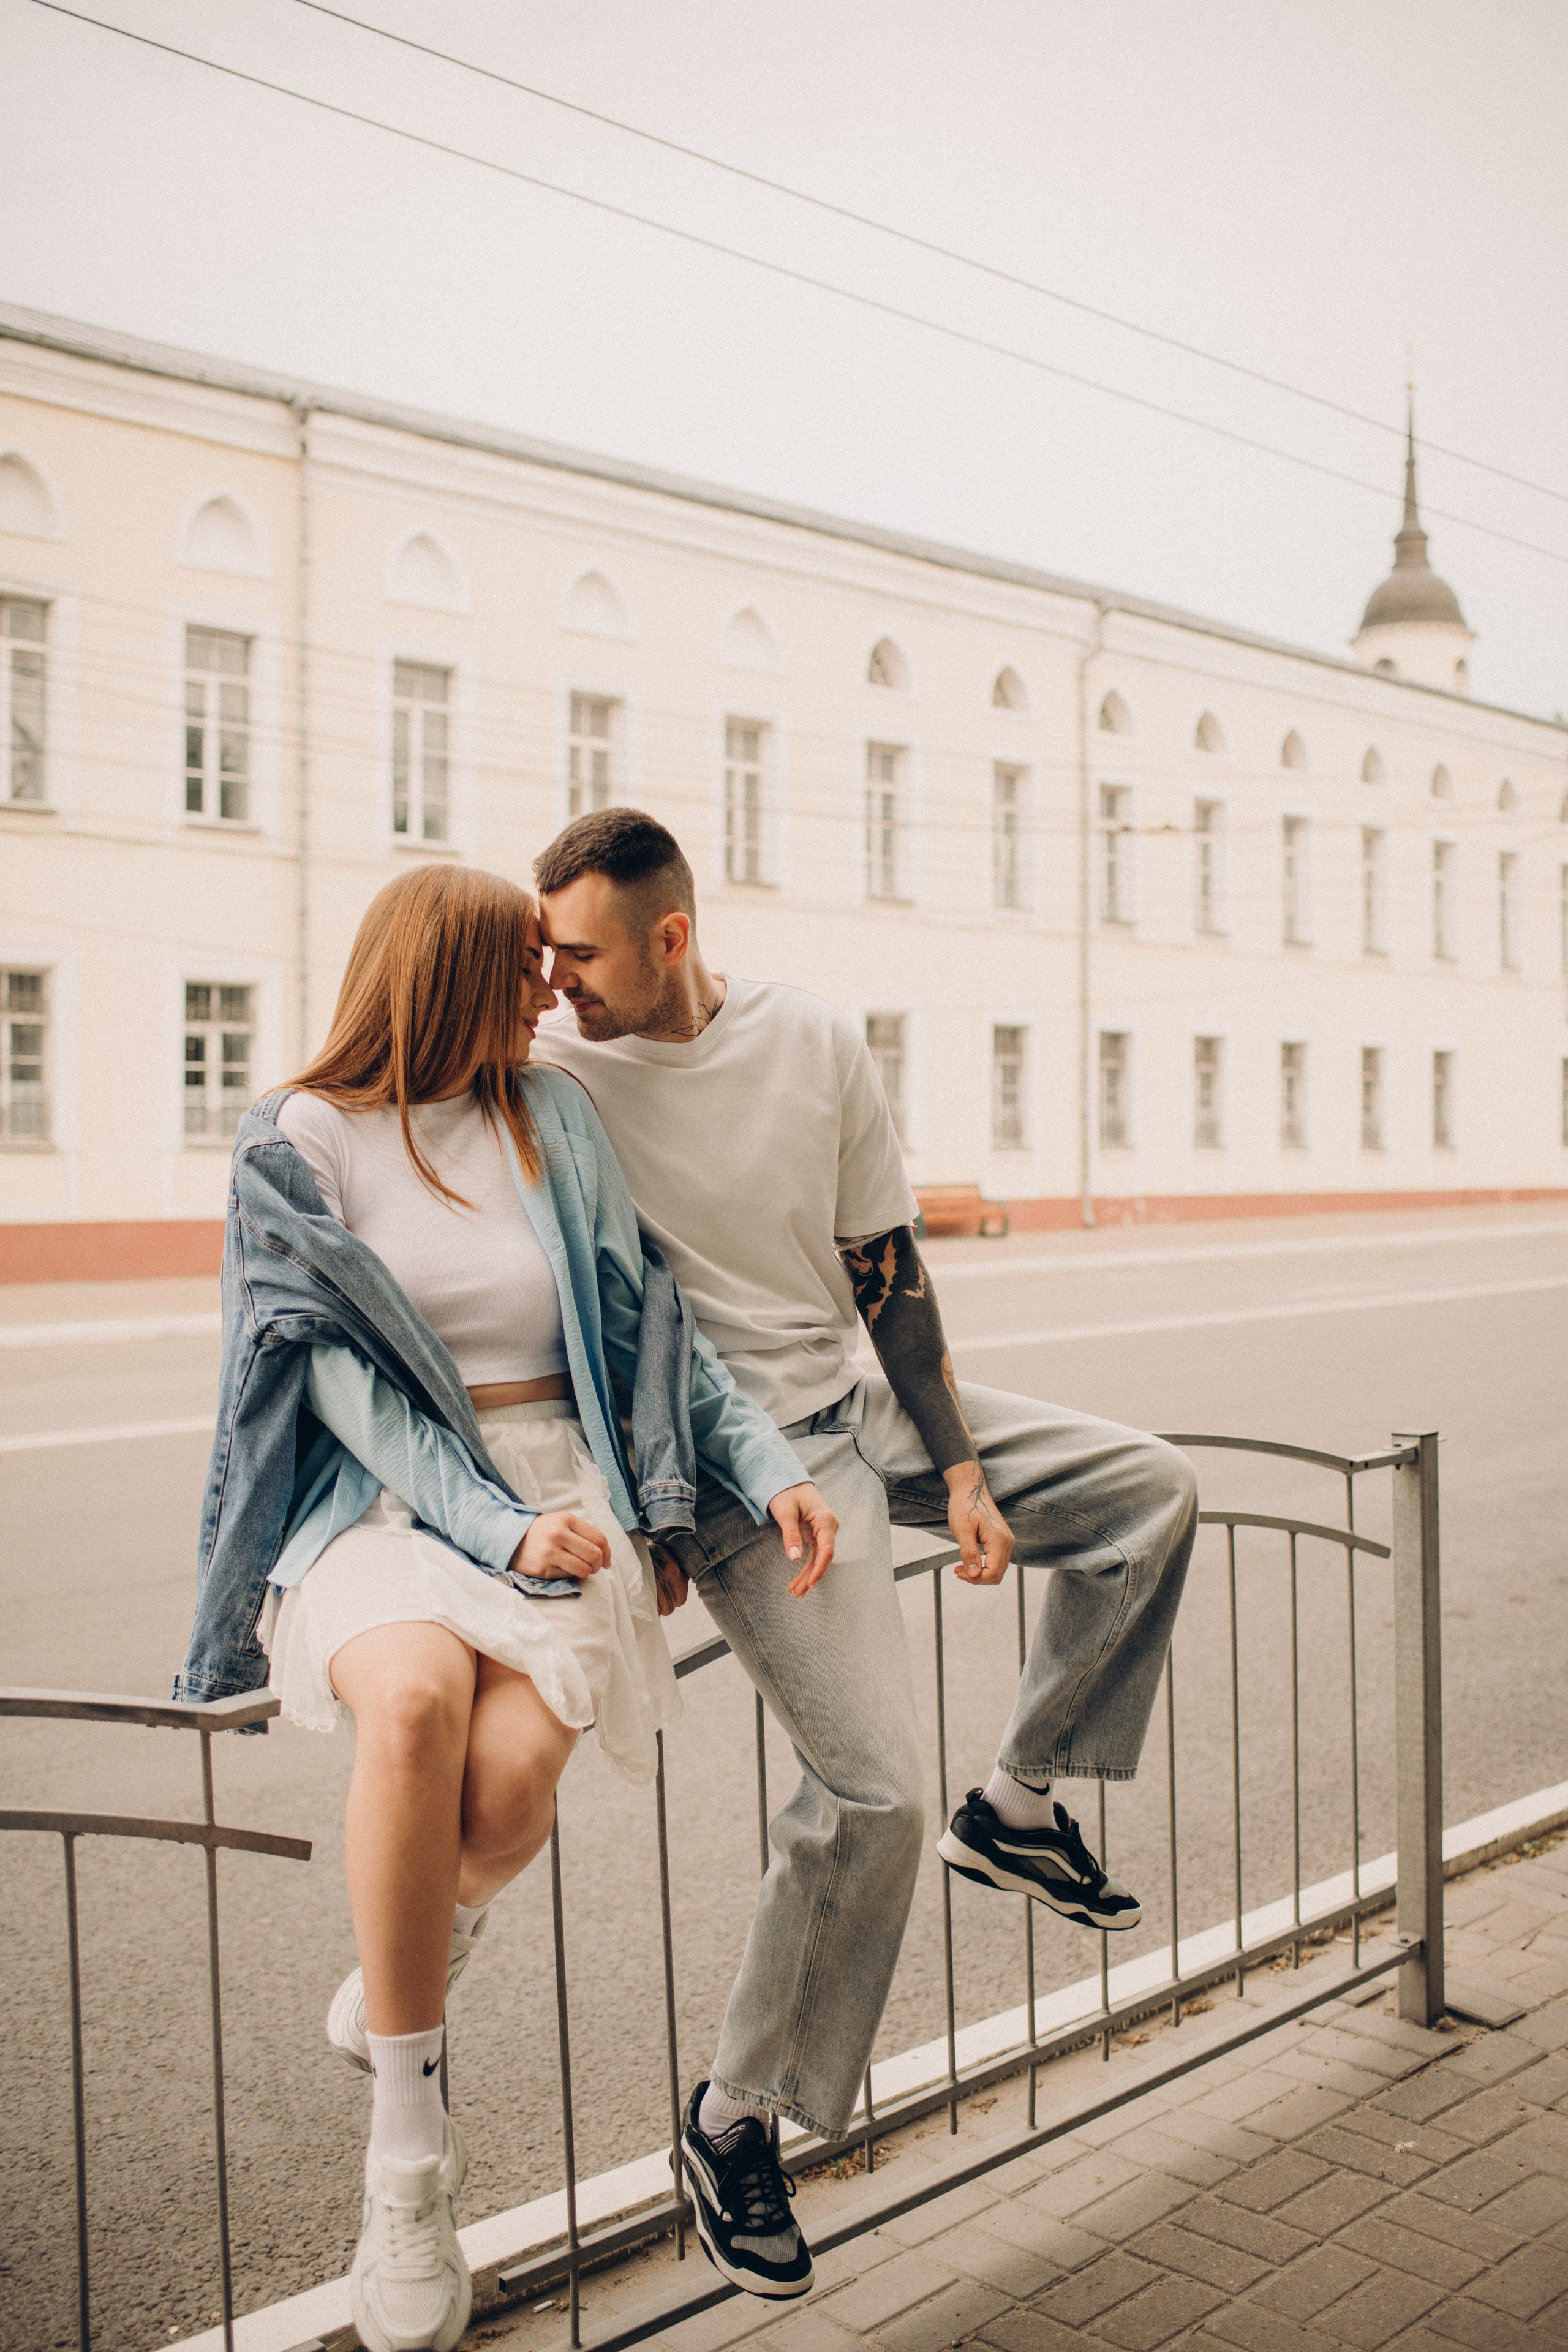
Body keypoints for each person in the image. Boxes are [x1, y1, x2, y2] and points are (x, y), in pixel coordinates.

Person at [534, 808, 1199, 2299]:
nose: (557, 981)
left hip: (858, 1408)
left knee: (1148, 1491)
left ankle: (1016, 1803)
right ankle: (732, 2118)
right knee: (873, 1792)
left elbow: (884, 1269)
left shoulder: (811, 1040)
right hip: (737, 1477)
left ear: (670, 937)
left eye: (579, 954)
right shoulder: (553, 1072)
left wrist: (960, 1466)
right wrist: (638, 1507)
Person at [175, 864, 834, 2351]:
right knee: (414, 1707)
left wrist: (765, 1465)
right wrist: (493, 1526)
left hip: (564, 1490)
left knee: (507, 1792)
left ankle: (400, 1964)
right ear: (444, 976)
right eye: (524, 967)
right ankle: (408, 2166)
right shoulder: (299, 1138)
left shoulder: (554, 1118)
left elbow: (650, 1328)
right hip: (382, 1500)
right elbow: (333, 1380)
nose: (551, 990)